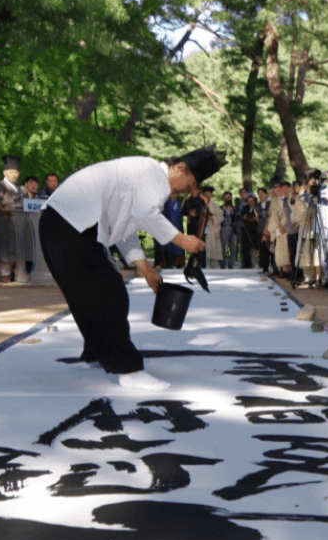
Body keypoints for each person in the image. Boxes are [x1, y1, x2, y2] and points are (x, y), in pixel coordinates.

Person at [38, 144, 223, 391]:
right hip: (70, 222)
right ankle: (127, 369)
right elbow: (145, 214)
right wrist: (182, 240)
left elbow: (125, 230)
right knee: (110, 294)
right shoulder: (151, 174)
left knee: (88, 295)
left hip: (63, 223)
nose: (189, 190)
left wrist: (145, 269)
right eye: (190, 184)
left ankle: (96, 353)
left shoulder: (144, 179)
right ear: (180, 168)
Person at [0, 154, 28, 284]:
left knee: (17, 248)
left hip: (18, 222)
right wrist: (14, 207)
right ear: (4, 173)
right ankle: (4, 274)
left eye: (16, 172)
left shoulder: (21, 189)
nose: (14, 175)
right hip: (4, 222)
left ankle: (16, 273)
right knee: (4, 250)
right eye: (11, 172)